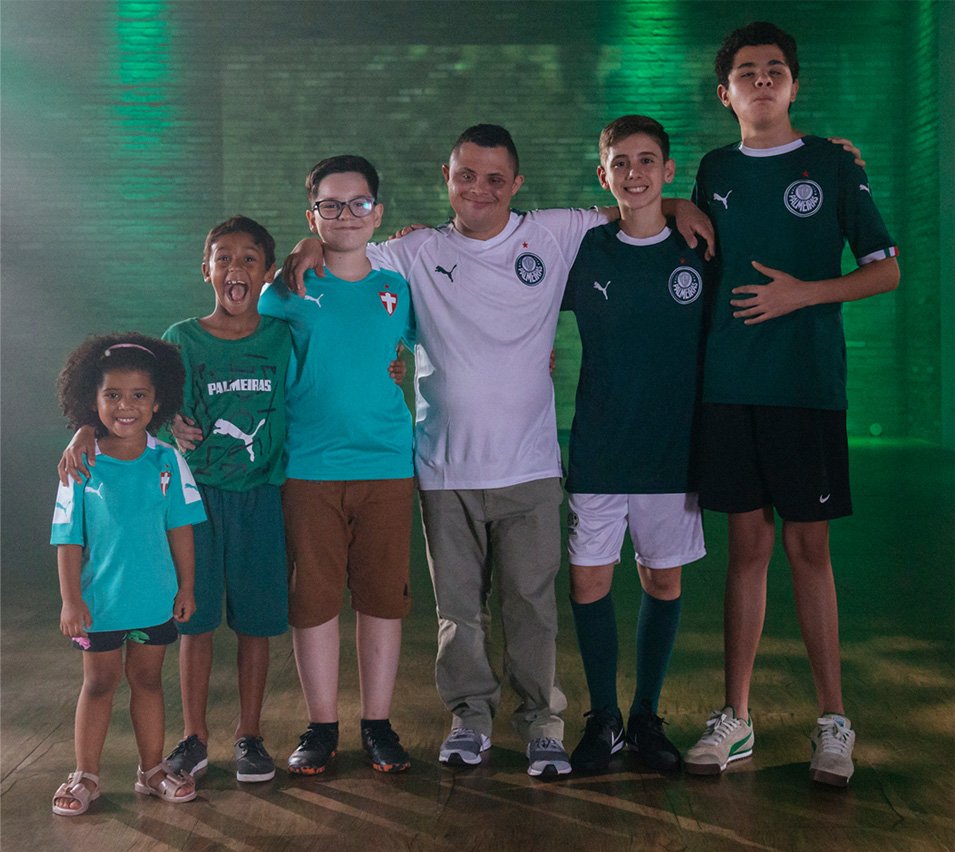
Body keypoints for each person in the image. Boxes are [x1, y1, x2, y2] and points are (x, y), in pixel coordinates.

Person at [282, 124, 714, 778]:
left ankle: (542, 724)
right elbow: (347, 248)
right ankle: (469, 719)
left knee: (531, 607)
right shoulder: (413, 251)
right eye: (465, 176)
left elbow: (628, 208)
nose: (478, 189)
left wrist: (678, 205)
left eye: (493, 178)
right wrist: (308, 242)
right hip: (442, 468)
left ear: (516, 184)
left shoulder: (554, 233)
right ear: (446, 179)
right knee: (459, 613)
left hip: (531, 467)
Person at [684, 22, 900, 787]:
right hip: (729, 387)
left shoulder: (833, 165)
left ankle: (832, 722)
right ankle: (735, 718)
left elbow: (884, 271)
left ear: (794, 84)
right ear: (725, 93)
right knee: (746, 550)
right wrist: (674, 200)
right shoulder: (713, 169)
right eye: (746, 71)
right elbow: (680, 237)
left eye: (774, 68)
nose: (761, 79)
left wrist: (801, 294)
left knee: (809, 550)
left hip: (805, 387)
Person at [59, 217, 291, 785]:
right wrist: (87, 426)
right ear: (205, 269)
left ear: (267, 272)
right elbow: (140, 406)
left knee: (257, 623)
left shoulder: (284, 336)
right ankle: (193, 738)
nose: (235, 268)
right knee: (195, 620)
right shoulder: (182, 338)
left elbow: (316, 389)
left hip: (261, 494)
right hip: (196, 498)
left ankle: (250, 735)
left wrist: (391, 367)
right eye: (223, 257)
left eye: (249, 258)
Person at [259, 155, 417, 775]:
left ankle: (377, 724)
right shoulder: (285, 291)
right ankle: (321, 726)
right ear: (313, 216)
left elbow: (434, 347)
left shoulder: (399, 288)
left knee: (381, 601)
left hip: (387, 464)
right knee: (315, 601)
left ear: (377, 214)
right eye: (330, 205)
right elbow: (245, 354)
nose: (345, 214)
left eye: (358, 204)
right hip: (309, 466)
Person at [561, 116, 707, 774]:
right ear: (603, 175)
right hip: (599, 443)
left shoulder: (698, 246)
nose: (634, 172)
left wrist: (680, 210)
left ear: (668, 170)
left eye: (647, 160)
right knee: (589, 579)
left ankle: (646, 714)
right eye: (620, 162)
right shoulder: (585, 249)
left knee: (662, 577)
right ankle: (604, 718)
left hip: (670, 448)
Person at [51, 333, 204, 815]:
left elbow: (180, 528)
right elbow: (67, 539)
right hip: (99, 605)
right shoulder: (80, 463)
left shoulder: (167, 460)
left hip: (154, 599)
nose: (125, 406)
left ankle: (152, 770)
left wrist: (186, 586)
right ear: (92, 401)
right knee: (99, 684)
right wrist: (71, 600)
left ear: (157, 402)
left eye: (139, 395)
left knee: (148, 681)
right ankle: (86, 775)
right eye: (112, 395)